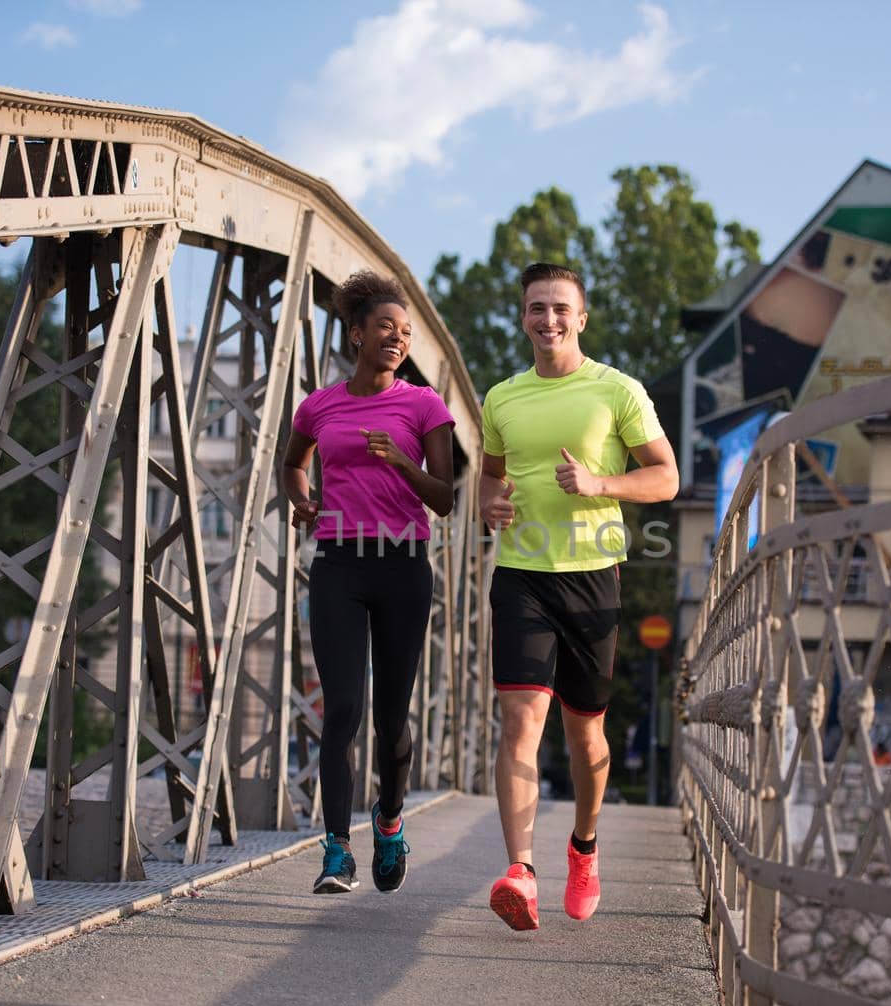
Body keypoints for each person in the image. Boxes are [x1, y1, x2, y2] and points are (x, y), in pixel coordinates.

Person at [478, 262, 678, 930]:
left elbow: (666, 478)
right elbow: (487, 480)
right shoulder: (502, 397)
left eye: (561, 309)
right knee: (520, 722)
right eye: (537, 308)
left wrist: (598, 485)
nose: (549, 320)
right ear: (523, 316)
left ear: (582, 318)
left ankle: (585, 847)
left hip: (594, 576)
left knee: (584, 734)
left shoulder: (617, 391)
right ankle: (521, 871)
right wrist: (491, 507)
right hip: (521, 576)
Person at [282, 270, 456, 894]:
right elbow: (292, 464)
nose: (398, 338)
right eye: (385, 327)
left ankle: (388, 822)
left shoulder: (423, 405)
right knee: (344, 710)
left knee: (391, 716)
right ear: (356, 333)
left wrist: (402, 461)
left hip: (403, 567)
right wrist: (302, 501)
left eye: (406, 332)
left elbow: (446, 499)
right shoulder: (320, 405)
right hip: (338, 565)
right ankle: (335, 850)